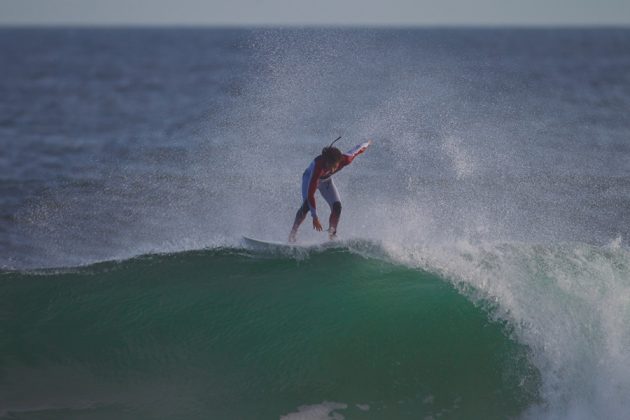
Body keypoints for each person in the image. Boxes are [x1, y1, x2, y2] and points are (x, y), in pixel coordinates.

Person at [288, 138, 372, 243]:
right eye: (329, 166)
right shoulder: (318, 168)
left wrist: (367, 143)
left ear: (339, 162)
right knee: (306, 206)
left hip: (326, 181)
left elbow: (357, 150)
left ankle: (332, 235)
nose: (331, 170)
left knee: (337, 207)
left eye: (334, 167)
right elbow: (310, 195)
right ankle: (292, 234)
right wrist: (315, 217)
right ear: (326, 161)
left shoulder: (345, 160)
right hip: (309, 179)